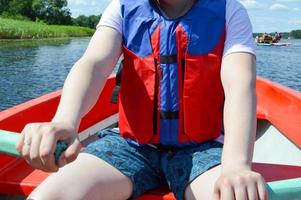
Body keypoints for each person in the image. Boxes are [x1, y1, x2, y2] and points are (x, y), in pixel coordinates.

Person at [17, 0, 267, 199]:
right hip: (131, 147)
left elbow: (239, 84)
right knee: (49, 196)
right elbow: (92, 65)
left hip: (203, 149)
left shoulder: (229, 10)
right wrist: (65, 120)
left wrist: (236, 165)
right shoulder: (122, 8)